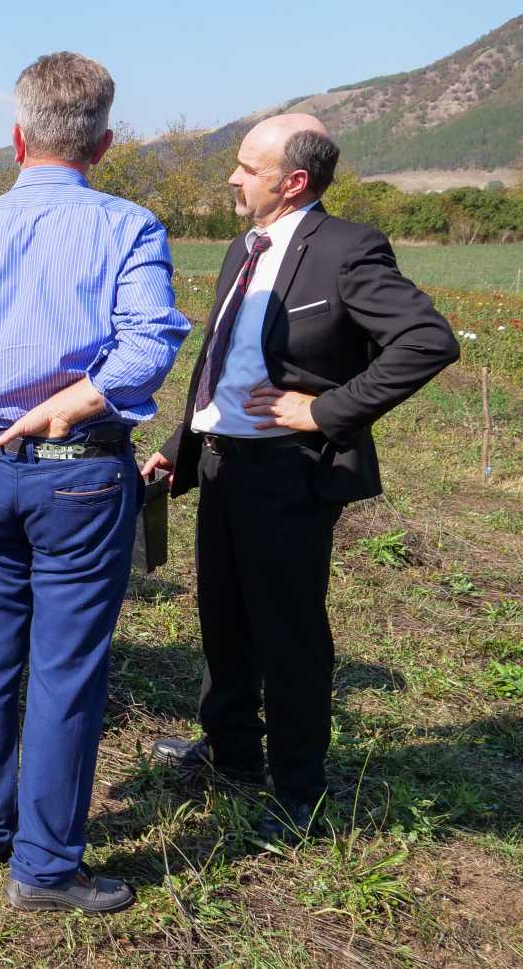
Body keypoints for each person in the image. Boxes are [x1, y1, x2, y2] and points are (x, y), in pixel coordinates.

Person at [0, 53, 189, 914]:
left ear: (18, 137)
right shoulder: (130, 227)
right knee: (65, 669)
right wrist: (72, 401)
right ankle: (46, 866)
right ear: (102, 142)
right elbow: (147, 342)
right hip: (81, 476)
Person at [144, 114, 459, 843]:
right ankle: (230, 755)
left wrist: (327, 410)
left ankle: (298, 793)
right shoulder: (241, 248)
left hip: (289, 475)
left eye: (248, 168)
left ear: (293, 181)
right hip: (222, 464)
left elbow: (427, 339)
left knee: (287, 635)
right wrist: (178, 443)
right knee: (222, 620)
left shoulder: (346, 249)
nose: (232, 177)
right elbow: (223, 363)